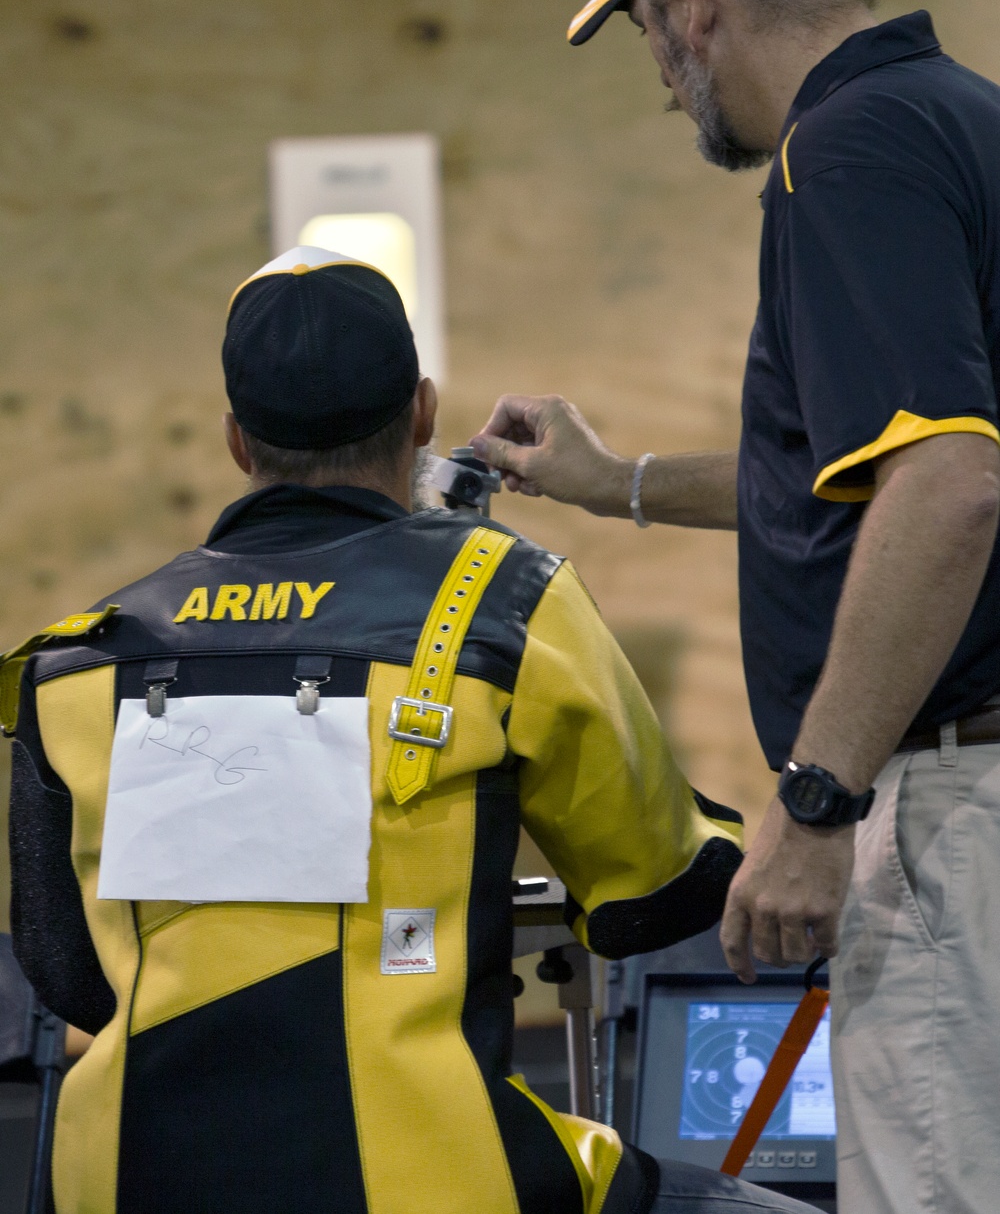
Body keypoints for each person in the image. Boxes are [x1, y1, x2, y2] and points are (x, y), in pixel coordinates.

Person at [2, 246, 816, 1214]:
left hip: (116, 1177)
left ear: (233, 439)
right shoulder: (503, 600)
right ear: (423, 413)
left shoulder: (78, 657)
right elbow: (651, 890)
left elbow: (65, 974)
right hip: (431, 1174)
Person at [471, 0, 1000, 1212]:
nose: (660, 76)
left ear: (690, 0)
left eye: (643, 31)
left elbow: (948, 487)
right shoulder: (959, 115)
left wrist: (816, 801)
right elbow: (861, 472)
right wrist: (621, 482)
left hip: (945, 805)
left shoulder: (844, 149)